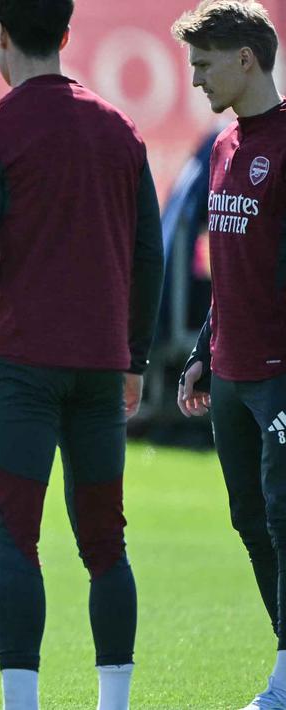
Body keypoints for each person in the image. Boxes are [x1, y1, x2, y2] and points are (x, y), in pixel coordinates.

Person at [0, 0, 164, 708]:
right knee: (104, 545)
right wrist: (133, 360)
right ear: (64, 34)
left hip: (22, 370)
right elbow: (149, 254)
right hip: (98, 369)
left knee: (13, 541)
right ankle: (112, 704)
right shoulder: (119, 130)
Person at [174, 3, 286, 707]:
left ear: (244, 59)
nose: (192, 80)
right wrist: (199, 351)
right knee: (249, 519)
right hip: (229, 370)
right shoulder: (220, 147)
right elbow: (228, 265)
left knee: (283, 518)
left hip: (279, 378)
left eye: (203, 63)